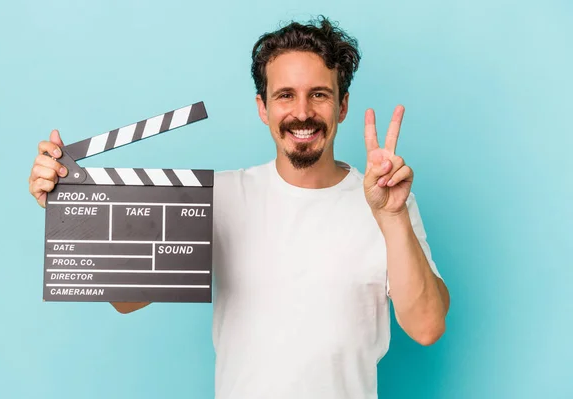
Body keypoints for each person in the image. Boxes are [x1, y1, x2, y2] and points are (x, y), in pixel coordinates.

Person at [28, 15, 450, 399]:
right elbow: (126, 300)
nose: (302, 113)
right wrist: (74, 205)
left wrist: (392, 217)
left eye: (318, 94)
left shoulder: (386, 201)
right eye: (285, 95)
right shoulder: (221, 197)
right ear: (262, 108)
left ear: (341, 106)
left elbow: (428, 326)